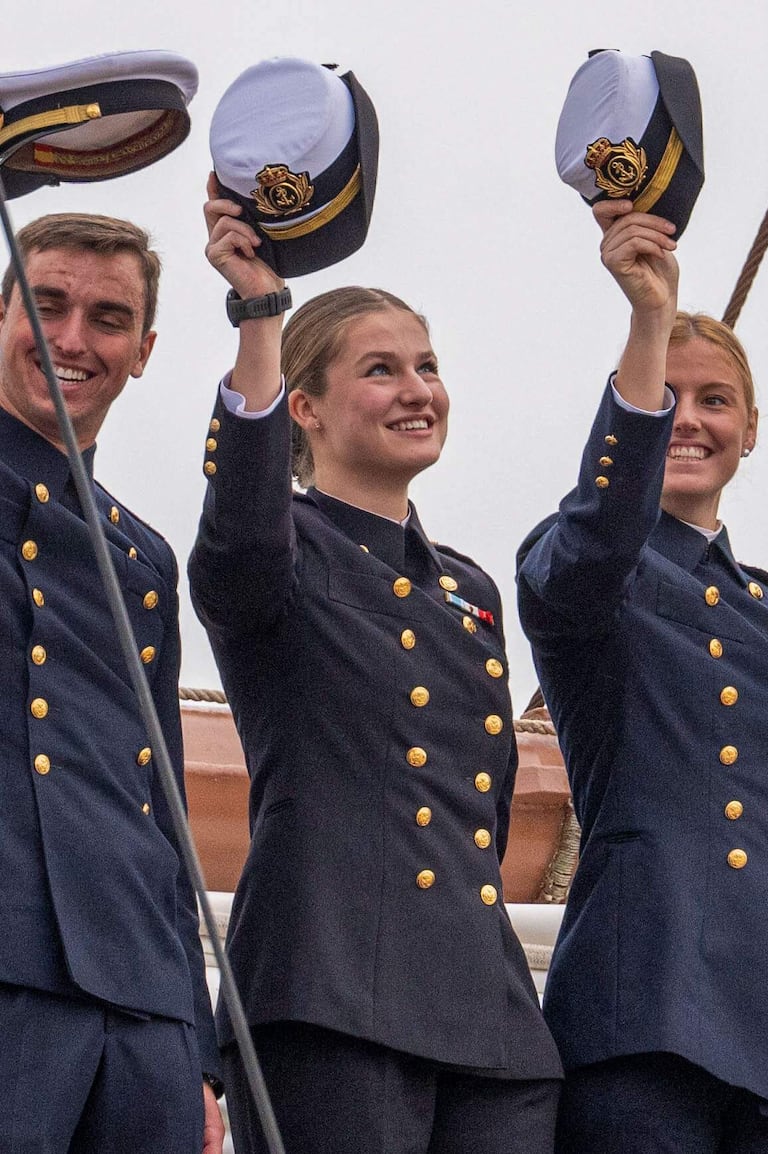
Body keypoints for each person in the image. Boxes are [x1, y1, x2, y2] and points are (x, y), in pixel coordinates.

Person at [188, 176, 563, 1154]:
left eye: (426, 366)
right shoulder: (278, 547)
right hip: (330, 991)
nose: (416, 389)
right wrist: (261, 318)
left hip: (486, 1017)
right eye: (381, 370)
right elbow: (236, 531)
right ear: (304, 408)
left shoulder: (467, 588)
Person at [517, 199, 768, 1153]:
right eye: (672, 395)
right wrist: (648, 326)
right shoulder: (585, 560)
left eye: (717, 401)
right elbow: (594, 538)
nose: (692, 420)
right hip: (644, 1014)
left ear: (751, 430)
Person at [0, 212, 224, 1153]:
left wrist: (201, 1054)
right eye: (44, 305)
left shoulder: (143, 554)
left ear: (143, 351)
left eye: (107, 317)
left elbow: (162, 803)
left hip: (142, 1006)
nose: (71, 340)